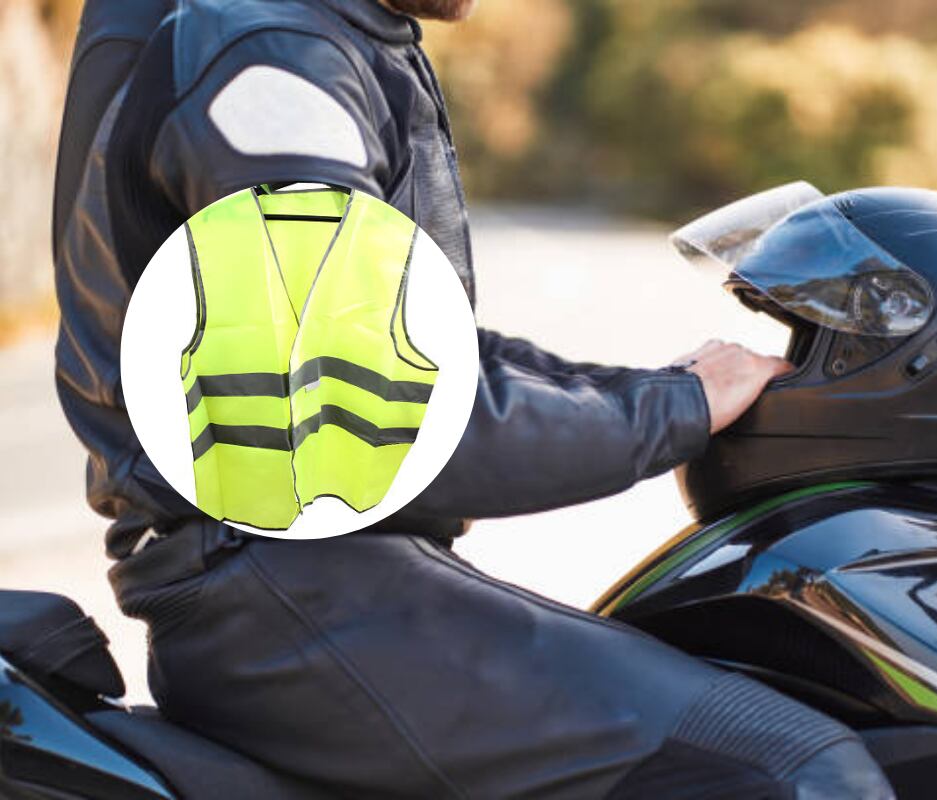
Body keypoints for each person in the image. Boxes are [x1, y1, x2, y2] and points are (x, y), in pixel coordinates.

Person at [52, 0, 894, 796]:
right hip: (284, 590)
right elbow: (374, 418)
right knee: (799, 769)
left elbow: (427, 348)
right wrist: (673, 411)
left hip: (310, 579)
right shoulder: (272, 61)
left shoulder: (327, 35)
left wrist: (671, 392)